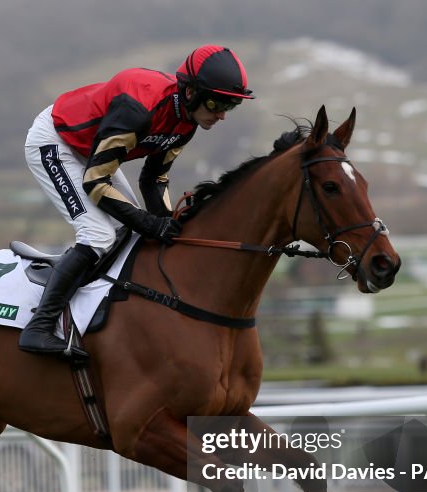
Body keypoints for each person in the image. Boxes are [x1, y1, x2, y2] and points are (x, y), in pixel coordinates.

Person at [19, 45, 254, 357]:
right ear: (189, 92)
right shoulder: (138, 110)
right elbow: (96, 181)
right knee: (99, 234)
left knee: (128, 230)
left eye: (231, 106)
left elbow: (154, 179)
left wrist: (169, 223)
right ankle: (39, 326)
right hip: (56, 142)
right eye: (217, 102)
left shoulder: (187, 122)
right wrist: (149, 223)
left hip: (92, 153)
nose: (222, 114)